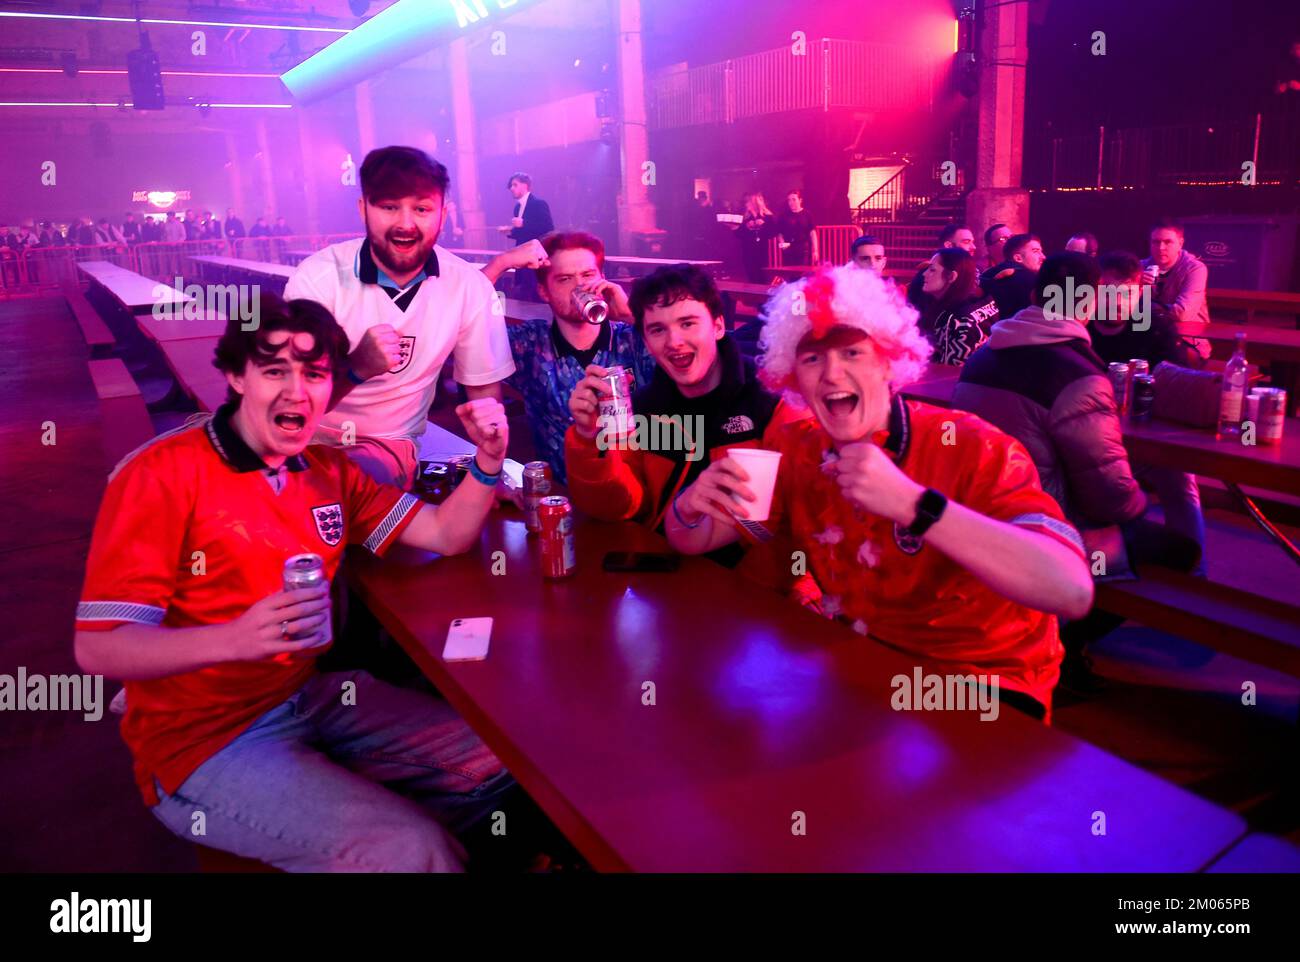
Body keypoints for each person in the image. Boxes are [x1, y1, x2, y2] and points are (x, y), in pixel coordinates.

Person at [74, 293, 517, 872]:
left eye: (313, 373)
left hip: (304, 697)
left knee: (503, 766)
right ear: (235, 375)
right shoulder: (161, 475)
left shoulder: (328, 471)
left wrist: (488, 460)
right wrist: (236, 639)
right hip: (202, 743)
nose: (296, 390)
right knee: (413, 853)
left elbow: (444, 533)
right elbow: (98, 647)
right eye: (274, 370)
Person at [668, 265, 1093, 720]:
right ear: (792, 375)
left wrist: (916, 506)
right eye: (812, 358)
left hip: (984, 687)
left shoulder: (976, 446)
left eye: (852, 352)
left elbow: (1070, 590)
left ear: (889, 361)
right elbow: (699, 537)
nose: (831, 374)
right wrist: (690, 506)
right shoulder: (798, 449)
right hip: (863, 668)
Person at [952, 253, 1202, 690]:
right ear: (1088, 304)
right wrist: (1138, 505)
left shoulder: (981, 357)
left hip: (974, 514)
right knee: (1176, 549)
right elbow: (1111, 497)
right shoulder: (1079, 374)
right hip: (1045, 531)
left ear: (1033, 297)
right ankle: (1062, 648)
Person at [285, 145, 513, 489]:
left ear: (443, 214)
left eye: (422, 208)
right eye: (390, 207)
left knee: (356, 481)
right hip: (302, 440)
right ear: (364, 209)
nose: (406, 224)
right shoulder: (317, 278)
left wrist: (489, 473)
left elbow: (483, 392)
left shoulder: (469, 286)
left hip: (387, 448)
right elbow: (291, 402)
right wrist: (356, 368)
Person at [565, 263, 803, 572]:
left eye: (688, 323)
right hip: (664, 579)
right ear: (647, 343)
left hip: (755, 593)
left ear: (718, 326)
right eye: (658, 329)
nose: (674, 341)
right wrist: (587, 439)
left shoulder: (771, 402)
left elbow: (796, 521)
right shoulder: (644, 409)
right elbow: (616, 507)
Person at [500, 232, 654, 485]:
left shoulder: (636, 337)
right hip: (567, 504)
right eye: (564, 279)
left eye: (588, 275)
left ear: (603, 280)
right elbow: (452, 329)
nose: (579, 287)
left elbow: (710, 357)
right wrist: (503, 262)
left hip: (640, 499)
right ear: (544, 291)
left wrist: (632, 315)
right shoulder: (529, 344)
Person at [1092, 251, 1197, 368]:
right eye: (1108, 293)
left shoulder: (1158, 328)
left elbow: (1176, 379)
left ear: (1140, 293)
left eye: (1128, 293)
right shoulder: (1079, 326)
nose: (1117, 302)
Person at [907, 248, 998, 366]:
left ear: (951, 276)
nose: (924, 274)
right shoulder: (981, 301)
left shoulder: (956, 320)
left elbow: (950, 373)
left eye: (932, 270)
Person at [1143, 218, 1209, 330]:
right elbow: (1120, 310)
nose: (1161, 248)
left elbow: (1182, 313)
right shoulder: (1141, 267)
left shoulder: (1195, 269)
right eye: (1156, 242)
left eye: (1168, 242)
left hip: (1188, 339)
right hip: (1152, 337)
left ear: (1180, 243)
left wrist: (1142, 309)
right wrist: (1136, 287)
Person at [979, 232, 1043, 319]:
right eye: (1035, 251)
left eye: (1041, 251)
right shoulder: (1027, 279)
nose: (1043, 256)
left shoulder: (987, 275)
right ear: (1018, 258)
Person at [501, 172, 554, 246]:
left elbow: (548, 229)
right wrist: (510, 231)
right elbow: (523, 233)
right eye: (511, 186)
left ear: (525, 186)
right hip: (523, 251)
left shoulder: (539, 203)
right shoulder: (517, 207)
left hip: (536, 252)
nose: (511, 188)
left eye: (515, 185)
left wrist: (523, 223)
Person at [739, 192, 776, 282]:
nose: (746, 204)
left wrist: (764, 225)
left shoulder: (768, 217)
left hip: (763, 251)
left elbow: (773, 233)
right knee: (751, 276)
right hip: (748, 252)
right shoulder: (745, 218)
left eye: (748, 202)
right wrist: (747, 227)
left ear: (754, 203)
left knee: (763, 277)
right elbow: (739, 235)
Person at [776, 189, 818, 267]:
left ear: (800, 200)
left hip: (804, 249)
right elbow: (779, 233)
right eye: (789, 200)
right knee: (790, 275)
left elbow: (813, 233)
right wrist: (782, 244)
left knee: (803, 274)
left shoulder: (807, 214)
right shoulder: (783, 216)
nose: (791, 202)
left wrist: (815, 251)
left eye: (794, 200)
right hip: (788, 249)